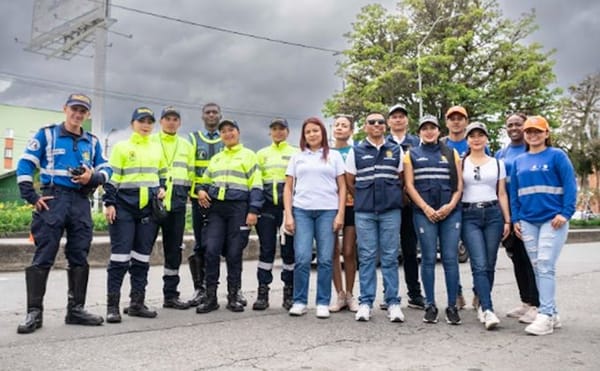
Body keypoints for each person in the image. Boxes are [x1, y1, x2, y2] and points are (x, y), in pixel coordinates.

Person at [16, 93, 109, 334]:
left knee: (79, 254)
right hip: (53, 200)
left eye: (83, 111)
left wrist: (93, 177)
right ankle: (34, 313)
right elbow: (25, 164)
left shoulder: (93, 141)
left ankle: (75, 310)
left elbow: (108, 169)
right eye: (74, 109)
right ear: (65, 109)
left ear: (87, 114)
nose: (78, 115)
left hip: (80, 201)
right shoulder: (47, 134)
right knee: (44, 254)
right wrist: (32, 197)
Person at [510, 115, 577, 336]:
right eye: (529, 131)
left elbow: (570, 186)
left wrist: (566, 213)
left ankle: (545, 314)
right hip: (528, 221)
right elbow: (515, 193)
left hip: (552, 220)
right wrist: (516, 219)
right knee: (538, 266)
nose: (533, 135)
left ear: (546, 133)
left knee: (546, 264)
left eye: (538, 131)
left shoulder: (557, 156)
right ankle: (552, 313)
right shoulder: (520, 161)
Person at [103, 107, 167, 323]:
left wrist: (163, 188)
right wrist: (109, 203)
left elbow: (163, 174)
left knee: (141, 258)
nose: (146, 125)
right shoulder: (122, 147)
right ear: (133, 124)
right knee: (120, 258)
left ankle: (137, 303)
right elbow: (112, 178)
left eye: (150, 121)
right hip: (124, 208)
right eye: (142, 121)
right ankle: (112, 307)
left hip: (148, 209)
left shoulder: (157, 148)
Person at [195, 119, 263, 313]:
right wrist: (200, 190)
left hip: (238, 209)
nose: (227, 134)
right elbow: (204, 181)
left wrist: (253, 211)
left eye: (231, 130)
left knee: (234, 253)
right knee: (211, 250)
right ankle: (210, 298)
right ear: (220, 136)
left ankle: (233, 296)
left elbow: (256, 186)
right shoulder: (216, 158)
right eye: (223, 131)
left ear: (238, 132)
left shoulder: (249, 156)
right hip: (217, 210)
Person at [284, 117, 346, 318]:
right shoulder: (297, 157)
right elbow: (288, 187)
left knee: (326, 259)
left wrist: (340, 214)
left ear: (323, 133)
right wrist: (289, 215)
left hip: (327, 212)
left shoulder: (334, 156)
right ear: (304, 135)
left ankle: (322, 302)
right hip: (302, 211)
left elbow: (343, 187)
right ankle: (300, 301)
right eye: (308, 131)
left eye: (316, 131)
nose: (312, 134)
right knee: (302, 258)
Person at [404, 115, 463, 325]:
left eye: (433, 128)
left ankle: (452, 306)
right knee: (428, 259)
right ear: (419, 132)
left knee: (450, 258)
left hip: (450, 212)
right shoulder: (411, 154)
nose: (429, 132)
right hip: (423, 213)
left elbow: (459, 187)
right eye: (424, 129)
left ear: (439, 131)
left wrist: (450, 206)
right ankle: (430, 305)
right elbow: (409, 185)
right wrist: (426, 208)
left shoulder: (451, 152)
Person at [346, 112, 405, 322]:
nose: (377, 125)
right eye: (372, 122)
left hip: (390, 211)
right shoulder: (356, 151)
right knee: (367, 256)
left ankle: (393, 303)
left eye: (380, 122)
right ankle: (365, 302)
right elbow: (350, 181)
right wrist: (363, 198)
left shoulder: (395, 150)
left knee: (390, 257)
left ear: (385, 126)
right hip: (365, 212)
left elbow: (401, 179)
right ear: (365, 126)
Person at [460, 122, 511, 330]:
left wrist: (507, 219)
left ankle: (482, 303)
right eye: (472, 136)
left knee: (490, 263)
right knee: (479, 263)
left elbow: (502, 193)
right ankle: (488, 309)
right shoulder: (461, 163)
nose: (477, 139)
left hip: (493, 214)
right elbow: (458, 190)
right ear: (467, 140)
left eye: (481, 135)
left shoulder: (497, 163)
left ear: (486, 139)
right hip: (469, 214)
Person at [495, 113, 540, 324]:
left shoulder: (531, 150)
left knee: (531, 259)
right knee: (517, 258)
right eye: (510, 125)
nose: (514, 128)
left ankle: (537, 304)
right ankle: (525, 302)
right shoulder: (500, 153)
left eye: (518, 124)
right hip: (507, 213)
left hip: (527, 212)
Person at [252, 118, 298, 311]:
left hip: (288, 208)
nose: (278, 132)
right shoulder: (262, 154)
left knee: (288, 252)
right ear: (270, 132)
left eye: (281, 129)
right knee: (267, 250)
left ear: (287, 131)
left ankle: (289, 292)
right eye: (274, 129)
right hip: (267, 208)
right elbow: (256, 181)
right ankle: (263, 293)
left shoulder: (296, 152)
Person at [152, 106, 195, 310]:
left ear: (179, 123)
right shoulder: (150, 141)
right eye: (167, 118)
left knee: (174, 251)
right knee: (142, 250)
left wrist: (190, 195)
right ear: (161, 121)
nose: (171, 122)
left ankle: (170, 296)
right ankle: (137, 298)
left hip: (177, 204)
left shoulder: (186, 146)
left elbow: (192, 175)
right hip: (152, 203)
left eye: (175, 119)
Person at [385, 104, 426, 310]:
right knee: (389, 251)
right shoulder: (383, 143)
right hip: (390, 203)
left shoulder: (416, 143)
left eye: (401, 116)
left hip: (411, 204)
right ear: (389, 122)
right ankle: (388, 294)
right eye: (394, 117)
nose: (398, 120)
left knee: (410, 251)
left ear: (407, 120)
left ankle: (415, 294)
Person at [187, 102, 227, 307]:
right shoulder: (193, 139)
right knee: (201, 244)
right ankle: (200, 289)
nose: (211, 115)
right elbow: (188, 167)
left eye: (215, 112)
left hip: (223, 200)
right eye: (208, 112)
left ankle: (230, 291)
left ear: (220, 115)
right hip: (199, 199)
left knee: (223, 246)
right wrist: (193, 193)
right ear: (202, 116)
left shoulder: (228, 137)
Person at [329, 114, 359, 313]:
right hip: (329, 205)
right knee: (332, 251)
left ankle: (350, 293)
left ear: (351, 130)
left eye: (344, 125)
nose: (340, 128)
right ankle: (339, 294)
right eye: (337, 125)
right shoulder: (325, 152)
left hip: (351, 205)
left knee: (348, 250)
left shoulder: (355, 152)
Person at [442, 105, 471, 309]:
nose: (456, 121)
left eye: (460, 118)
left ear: (466, 121)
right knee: (450, 254)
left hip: (472, 204)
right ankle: (457, 294)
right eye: (452, 118)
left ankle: (480, 293)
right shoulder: (441, 144)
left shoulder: (475, 143)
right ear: (447, 122)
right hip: (450, 205)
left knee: (478, 255)